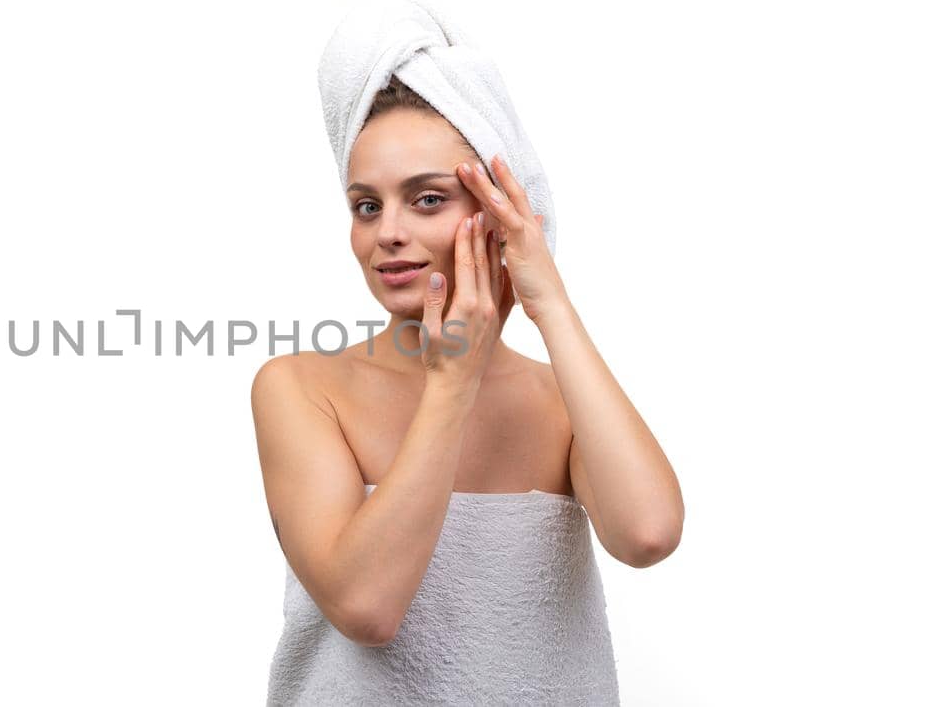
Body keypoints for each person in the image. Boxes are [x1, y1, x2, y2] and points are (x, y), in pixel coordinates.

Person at [253, 75, 685, 704]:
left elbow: (648, 533)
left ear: (499, 212)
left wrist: (551, 305)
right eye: (367, 206)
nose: (388, 233)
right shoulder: (302, 389)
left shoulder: (563, 403)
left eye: (427, 199)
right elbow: (367, 607)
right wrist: (450, 384)